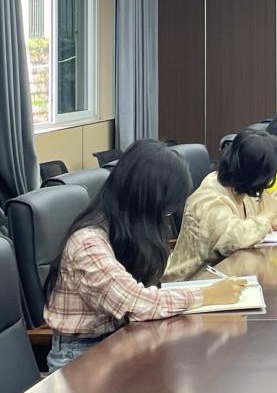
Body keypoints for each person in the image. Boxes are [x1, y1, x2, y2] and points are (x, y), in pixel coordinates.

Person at [43, 140, 247, 370]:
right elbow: (137, 303)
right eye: (164, 209)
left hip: (123, 339)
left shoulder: (125, 231)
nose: (165, 217)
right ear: (144, 200)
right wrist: (206, 295)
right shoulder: (88, 243)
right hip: (81, 356)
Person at [164, 128, 277, 281]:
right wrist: (267, 216)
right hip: (192, 281)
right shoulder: (209, 197)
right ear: (257, 173)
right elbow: (233, 240)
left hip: (229, 278)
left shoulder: (247, 187)